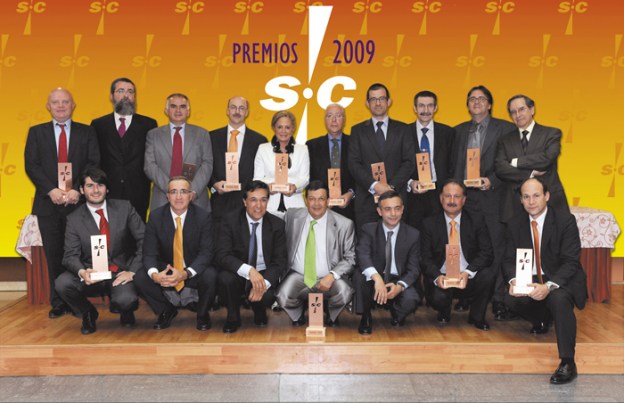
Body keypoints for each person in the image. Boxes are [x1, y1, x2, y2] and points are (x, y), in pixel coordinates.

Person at [24, 87, 100, 318]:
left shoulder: (87, 132)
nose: (60, 106)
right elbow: (31, 165)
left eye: (65, 101)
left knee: (79, 254)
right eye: (55, 102)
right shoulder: (36, 132)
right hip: (48, 205)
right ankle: (59, 302)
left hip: (78, 204)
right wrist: (51, 190)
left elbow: (93, 162)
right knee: (54, 254)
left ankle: (79, 301)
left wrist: (77, 188)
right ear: (48, 106)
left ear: (73, 105)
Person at [504, 177, 587, 385]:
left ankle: (568, 362)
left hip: (559, 278)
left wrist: (548, 286)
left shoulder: (565, 221)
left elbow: (571, 261)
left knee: (558, 300)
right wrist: (514, 281)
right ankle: (542, 318)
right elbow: (507, 259)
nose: (531, 201)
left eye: (536, 196)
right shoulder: (514, 224)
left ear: (547, 196)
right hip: (531, 277)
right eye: (526, 197)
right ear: (521, 200)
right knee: (510, 298)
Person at [452, 85, 516, 320]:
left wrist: (492, 181)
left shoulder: (506, 129)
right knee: (467, 246)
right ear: (467, 105)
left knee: (497, 248)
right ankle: (467, 294)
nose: (476, 102)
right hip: (466, 200)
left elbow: (512, 163)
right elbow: (454, 165)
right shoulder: (458, 131)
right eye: (472, 99)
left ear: (489, 104)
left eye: (481, 99)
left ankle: (497, 298)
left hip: (493, 197)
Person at [56, 168, 145, 334]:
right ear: (82, 190)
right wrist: (82, 272)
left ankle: (125, 310)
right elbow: (70, 255)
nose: (96, 190)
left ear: (107, 189)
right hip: (90, 272)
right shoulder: (74, 219)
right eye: (90, 186)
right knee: (62, 284)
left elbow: (144, 241)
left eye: (100, 185)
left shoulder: (124, 208)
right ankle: (88, 313)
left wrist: (132, 271)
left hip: (119, 271)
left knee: (126, 300)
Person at [134, 176, 218, 331]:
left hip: (191, 270)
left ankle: (202, 314)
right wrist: (155, 275)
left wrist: (185, 274)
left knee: (210, 274)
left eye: (183, 191)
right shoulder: (156, 216)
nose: (178, 197)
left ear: (191, 195)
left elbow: (206, 253)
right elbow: (149, 253)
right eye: (173, 192)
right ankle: (166, 310)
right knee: (140, 276)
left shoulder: (203, 217)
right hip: (167, 268)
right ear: (167, 196)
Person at [276, 180, 356, 326]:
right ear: (306, 200)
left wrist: (332, 275)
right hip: (299, 276)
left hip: (330, 277)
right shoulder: (292, 216)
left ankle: (331, 313)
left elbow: (351, 257)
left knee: (345, 293)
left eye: (321, 199)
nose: (316, 204)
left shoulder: (344, 224)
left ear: (328, 201)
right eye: (312, 199)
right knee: (282, 296)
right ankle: (298, 313)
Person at [420, 179, 494, 331]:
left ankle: (477, 316)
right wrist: (437, 277)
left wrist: (467, 272)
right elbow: (424, 257)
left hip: (467, 276)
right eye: (448, 196)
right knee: (438, 297)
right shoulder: (429, 223)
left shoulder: (476, 220)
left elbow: (487, 252)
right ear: (441, 198)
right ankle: (443, 310)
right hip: (442, 277)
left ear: (464, 200)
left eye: (457, 196)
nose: (452, 201)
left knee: (488, 275)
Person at [215, 181, 287, 333]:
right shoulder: (230, 220)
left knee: (267, 294)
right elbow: (222, 255)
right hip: (239, 271)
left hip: (263, 272)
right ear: (244, 201)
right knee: (225, 279)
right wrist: (249, 271)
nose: (258, 205)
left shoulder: (277, 225)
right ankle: (233, 316)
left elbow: (280, 261)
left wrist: (263, 284)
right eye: (253, 200)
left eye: (263, 200)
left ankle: (259, 309)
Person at [348, 83, 415, 230]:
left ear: (389, 101)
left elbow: (409, 162)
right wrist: (375, 186)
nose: (378, 103)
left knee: (397, 243)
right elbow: (353, 164)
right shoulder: (357, 131)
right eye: (373, 99)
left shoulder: (403, 129)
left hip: (396, 201)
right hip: (366, 202)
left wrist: (390, 188)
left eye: (382, 98)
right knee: (367, 243)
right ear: (367, 103)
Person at [90, 77, 158, 221]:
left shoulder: (149, 124)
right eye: (120, 91)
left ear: (135, 97)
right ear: (111, 96)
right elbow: (94, 159)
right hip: (107, 192)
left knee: (137, 233)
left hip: (138, 193)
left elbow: (152, 159)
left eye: (130, 92)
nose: (126, 95)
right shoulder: (98, 125)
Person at [495, 94, 569, 223]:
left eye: (521, 109)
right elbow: (500, 168)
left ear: (532, 109)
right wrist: (530, 173)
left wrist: (516, 162)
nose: (518, 115)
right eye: (513, 112)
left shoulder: (551, 133)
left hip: (550, 201)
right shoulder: (504, 140)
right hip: (514, 204)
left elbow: (547, 158)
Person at [354, 190, 421, 335]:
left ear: (402, 209)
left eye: (397, 208)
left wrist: (400, 287)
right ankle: (365, 316)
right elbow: (363, 255)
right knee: (359, 276)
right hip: (375, 278)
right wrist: (377, 278)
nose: (393, 214)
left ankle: (396, 311)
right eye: (387, 209)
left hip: (397, 278)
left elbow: (414, 268)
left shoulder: (413, 234)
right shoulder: (368, 229)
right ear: (379, 211)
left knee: (411, 298)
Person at [144, 93, 213, 213]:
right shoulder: (153, 135)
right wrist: (172, 190)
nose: (178, 110)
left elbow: (207, 164)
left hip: (195, 198)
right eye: (173, 106)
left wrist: (191, 191)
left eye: (182, 106)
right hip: (163, 197)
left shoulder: (202, 134)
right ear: (166, 110)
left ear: (188, 111)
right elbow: (149, 165)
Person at [209, 96, 267, 229]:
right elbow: (205, 165)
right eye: (233, 107)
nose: (237, 111)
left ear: (247, 112)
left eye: (241, 108)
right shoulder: (211, 137)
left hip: (246, 204)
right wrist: (213, 184)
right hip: (218, 203)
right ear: (227, 111)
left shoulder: (259, 141)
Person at [406, 90, 455, 231]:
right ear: (415, 108)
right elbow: (398, 163)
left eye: (430, 106)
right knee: (413, 234)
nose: (425, 110)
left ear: (436, 108)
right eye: (421, 105)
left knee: (438, 234)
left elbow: (453, 164)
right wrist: (410, 183)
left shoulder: (448, 133)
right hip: (413, 194)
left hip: (439, 193)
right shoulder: (404, 132)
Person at [253, 110, 309, 219]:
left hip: (295, 207)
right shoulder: (263, 149)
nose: (283, 131)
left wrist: (294, 187)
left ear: (293, 129)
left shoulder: (303, 150)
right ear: (274, 128)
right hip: (269, 207)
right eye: (280, 127)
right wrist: (267, 187)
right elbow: (257, 178)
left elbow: (305, 178)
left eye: (287, 127)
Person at [306, 103, 355, 221]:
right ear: (324, 120)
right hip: (320, 208)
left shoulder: (355, 143)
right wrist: (321, 198)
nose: (334, 120)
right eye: (329, 116)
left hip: (349, 207)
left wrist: (351, 193)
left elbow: (361, 174)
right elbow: (309, 177)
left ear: (344, 120)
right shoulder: (311, 145)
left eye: (338, 115)